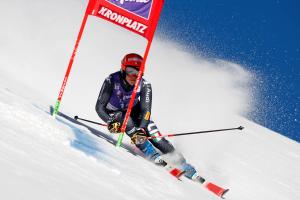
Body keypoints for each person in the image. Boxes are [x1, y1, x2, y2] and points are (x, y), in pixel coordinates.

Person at [95, 53, 204, 182]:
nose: (134, 76)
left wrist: (141, 128)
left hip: (134, 111)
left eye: (138, 72)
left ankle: (182, 163)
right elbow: (99, 107)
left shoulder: (144, 84)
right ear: (123, 69)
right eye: (130, 71)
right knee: (126, 120)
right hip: (116, 113)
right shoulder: (112, 80)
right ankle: (149, 150)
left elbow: (146, 110)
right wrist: (109, 121)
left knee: (157, 138)